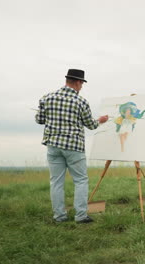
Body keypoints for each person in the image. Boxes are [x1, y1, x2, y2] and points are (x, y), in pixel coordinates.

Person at [35, 69, 108, 223]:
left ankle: (59, 217)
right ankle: (81, 216)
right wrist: (100, 120)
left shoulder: (47, 98)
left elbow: (39, 120)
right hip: (73, 146)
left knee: (56, 182)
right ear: (77, 82)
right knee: (81, 180)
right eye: (81, 83)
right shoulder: (80, 102)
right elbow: (91, 125)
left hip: (53, 145)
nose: (81, 86)